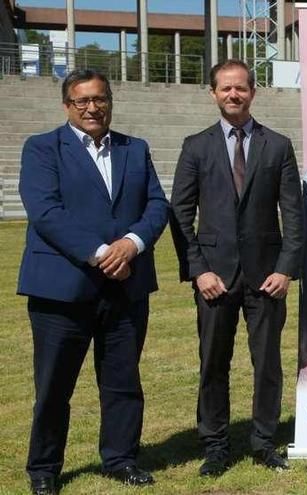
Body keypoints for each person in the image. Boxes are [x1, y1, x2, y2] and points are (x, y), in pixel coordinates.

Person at [18, 69, 169, 495]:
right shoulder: (43, 148)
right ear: (67, 105)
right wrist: (105, 253)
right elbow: (46, 212)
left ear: (110, 101)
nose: (92, 107)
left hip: (126, 288)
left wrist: (133, 243)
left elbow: (157, 204)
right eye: (82, 100)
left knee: (123, 381)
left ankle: (120, 459)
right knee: (53, 387)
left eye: (99, 99)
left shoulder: (134, 149)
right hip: (62, 290)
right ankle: (44, 468)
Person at [169, 59, 304, 477]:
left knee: (267, 364)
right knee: (213, 362)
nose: (233, 95)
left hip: (267, 277)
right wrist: (198, 270)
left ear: (252, 92)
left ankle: (264, 442)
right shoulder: (196, 145)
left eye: (240, 88)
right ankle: (215, 445)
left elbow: (294, 215)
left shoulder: (277, 145)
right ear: (213, 93)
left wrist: (285, 269)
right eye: (225, 88)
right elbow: (180, 211)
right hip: (214, 277)